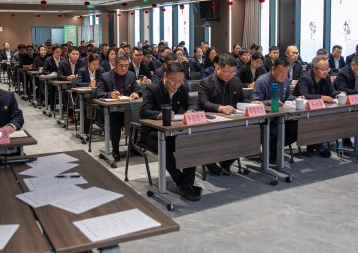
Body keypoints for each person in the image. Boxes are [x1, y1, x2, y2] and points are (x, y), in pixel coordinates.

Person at [140, 62, 201, 201]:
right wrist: (160, 114)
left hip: (173, 131)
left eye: (180, 81)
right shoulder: (153, 89)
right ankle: (184, 184)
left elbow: (191, 103)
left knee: (190, 143)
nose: (176, 84)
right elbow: (144, 111)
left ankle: (186, 184)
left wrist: (191, 110)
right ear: (165, 76)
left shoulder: (181, 89)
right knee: (165, 147)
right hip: (151, 133)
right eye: (173, 80)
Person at [198, 54, 248, 175]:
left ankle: (227, 162)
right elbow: (204, 103)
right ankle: (210, 162)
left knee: (249, 133)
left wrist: (251, 104)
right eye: (226, 71)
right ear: (218, 68)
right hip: (212, 122)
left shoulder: (236, 81)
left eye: (233, 72)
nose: (229, 75)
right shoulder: (206, 82)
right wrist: (220, 108)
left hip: (234, 120)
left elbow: (243, 100)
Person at [95, 55, 142, 161]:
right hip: (112, 111)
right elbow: (98, 93)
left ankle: (134, 145)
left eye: (126, 65)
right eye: (121, 66)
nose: (124, 68)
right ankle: (115, 149)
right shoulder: (105, 76)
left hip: (128, 109)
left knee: (137, 117)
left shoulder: (131, 75)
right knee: (115, 121)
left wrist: (136, 93)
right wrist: (110, 95)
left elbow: (138, 89)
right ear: (115, 65)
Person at [252, 57, 297, 162]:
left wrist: (297, 99)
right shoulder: (262, 81)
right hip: (266, 120)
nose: (283, 76)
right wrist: (270, 102)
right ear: (273, 68)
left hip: (282, 117)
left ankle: (274, 149)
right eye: (281, 72)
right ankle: (272, 151)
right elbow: (255, 102)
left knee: (298, 127)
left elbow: (288, 96)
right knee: (274, 130)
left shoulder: (286, 80)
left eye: (286, 73)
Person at [294, 55, 339, 157]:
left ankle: (317, 144)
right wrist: (321, 97)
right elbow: (304, 95)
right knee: (319, 119)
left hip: (319, 110)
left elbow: (332, 92)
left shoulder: (327, 78)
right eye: (323, 69)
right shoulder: (305, 78)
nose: (326, 72)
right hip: (302, 111)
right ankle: (319, 146)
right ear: (314, 69)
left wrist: (341, 94)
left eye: (327, 69)